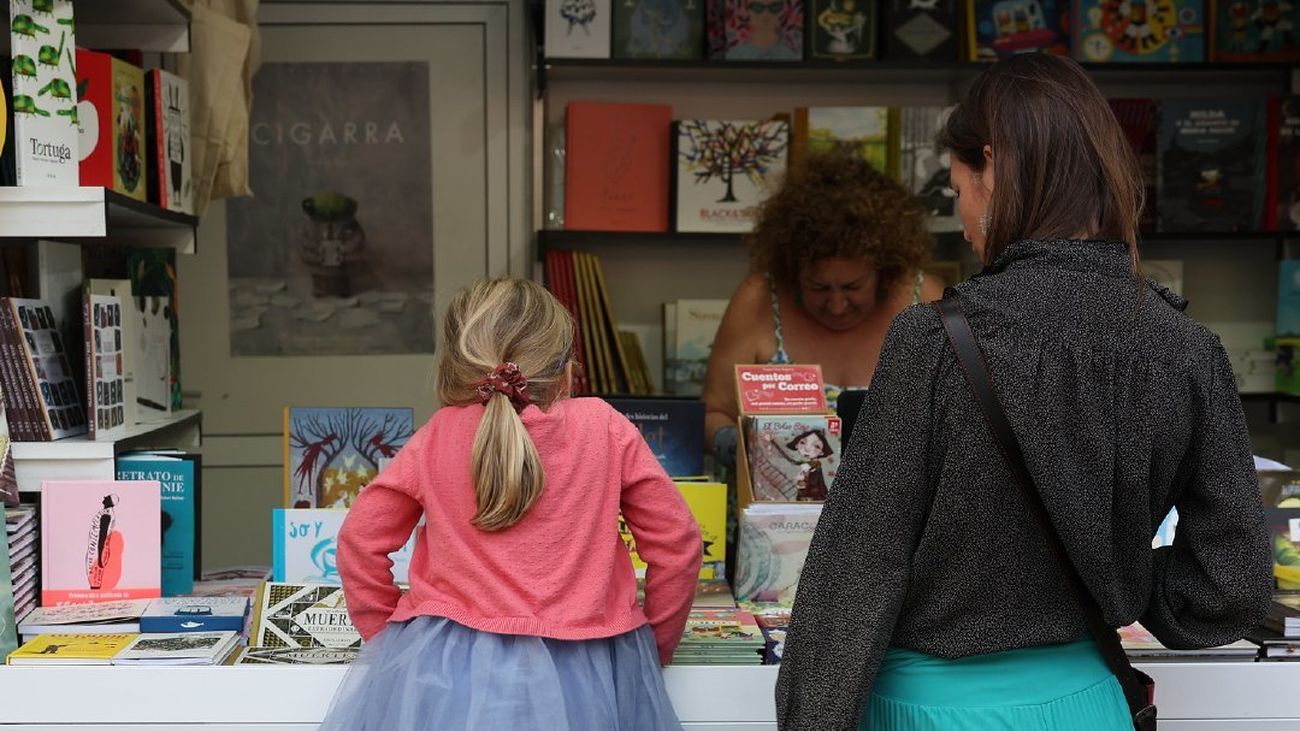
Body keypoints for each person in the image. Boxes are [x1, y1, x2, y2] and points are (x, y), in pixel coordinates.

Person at [775, 53, 1273, 731]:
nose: (965, 222)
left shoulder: (932, 340)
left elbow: (855, 575)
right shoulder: (1186, 350)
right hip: (1085, 704)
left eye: (958, 192)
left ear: (992, 166)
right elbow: (1233, 586)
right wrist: (1120, 571)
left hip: (928, 709)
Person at [319, 278, 702, 731]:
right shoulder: (605, 427)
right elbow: (678, 543)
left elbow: (360, 542)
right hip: (590, 661)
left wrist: (387, 638)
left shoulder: (439, 435)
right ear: (567, 371)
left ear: (456, 368)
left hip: (445, 669)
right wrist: (654, 643)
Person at [703, 152, 943, 468]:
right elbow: (713, 412)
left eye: (853, 287)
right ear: (793, 270)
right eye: (818, 287)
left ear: (885, 271)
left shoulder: (926, 302)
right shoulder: (759, 299)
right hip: (776, 512)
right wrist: (740, 448)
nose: (837, 305)